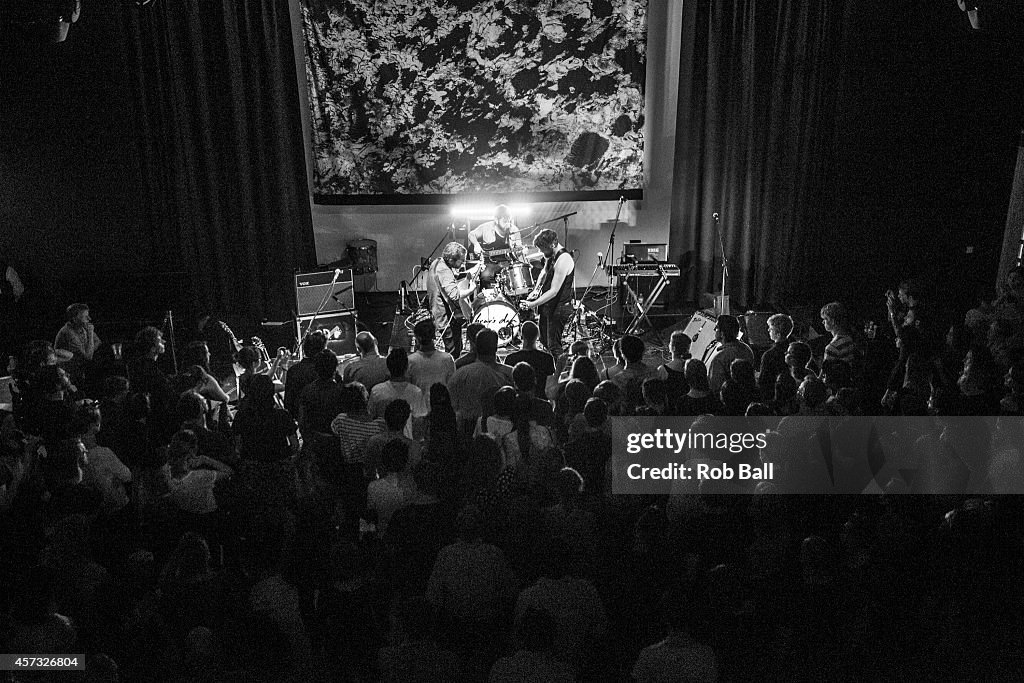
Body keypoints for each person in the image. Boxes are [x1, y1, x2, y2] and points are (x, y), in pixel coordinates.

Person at [447, 328, 513, 434]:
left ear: (476, 347)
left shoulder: (460, 374)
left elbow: (451, 405)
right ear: (496, 348)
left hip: (465, 432)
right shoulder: (509, 374)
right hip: (499, 433)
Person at [520, 229, 575, 355]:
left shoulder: (563, 260)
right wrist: (536, 289)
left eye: (542, 248)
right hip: (550, 306)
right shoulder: (551, 256)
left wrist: (532, 304)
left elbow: (554, 291)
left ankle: (559, 373)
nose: (540, 252)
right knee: (544, 341)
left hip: (559, 308)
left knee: (554, 346)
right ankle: (550, 370)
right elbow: (544, 272)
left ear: (553, 244)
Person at [428, 242, 480, 357]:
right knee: (453, 351)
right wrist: (471, 290)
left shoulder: (438, 262)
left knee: (456, 347)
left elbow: (449, 281)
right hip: (445, 317)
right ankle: (453, 372)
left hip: (441, 313)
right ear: (451, 260)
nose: (462, 264)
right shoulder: (444, 270)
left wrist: (473, 270)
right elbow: (455, 295)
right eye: (461, 261)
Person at [467, 204, 523, 288]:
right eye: (504, 221)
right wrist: (476, 245)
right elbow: (471, 234)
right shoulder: (486, 227)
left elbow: (518, 249)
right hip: (489, 263)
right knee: (485, 277)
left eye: (509, 220)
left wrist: (520, 251)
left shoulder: (514, 230)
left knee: (515, 277)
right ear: (496, 219)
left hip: (507, 262)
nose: (507, 223)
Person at [407, 319, 456, 406]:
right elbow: (452, 388)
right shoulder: (447, 359)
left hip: (418, 410)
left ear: (417, 338)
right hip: (442, 410)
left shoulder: (410, 361)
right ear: (434, 336)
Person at [706, 315, 754, 396]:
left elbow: (715, 387)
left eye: (717, 328)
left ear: (722, 333)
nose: (714, 330)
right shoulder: (747, 349)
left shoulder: (720, 358)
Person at [505, 321, 556, 396]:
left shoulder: (510, 359)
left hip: (517, 402)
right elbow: (550, 385)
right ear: (538, 336)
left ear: (521, 335)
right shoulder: (547, 358)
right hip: (541, 401)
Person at [284, 331, 327, 418]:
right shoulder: (325, 370)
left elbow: (288, 404)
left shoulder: (292, 371)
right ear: (322, 350)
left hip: (301, 421)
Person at [54, 303, 101, 370]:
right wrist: (90, 334)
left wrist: (89, 349)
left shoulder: (83, 327)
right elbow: (88, 358)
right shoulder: (68, 332)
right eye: (85, 317)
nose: (89, 319)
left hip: (79, 367)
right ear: (75, 319)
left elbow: (98, 341)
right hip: (67, 372)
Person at [757, 313, 794, 399]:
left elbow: (763, 382)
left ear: (778, 333)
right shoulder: (793, 348)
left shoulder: (769, 354)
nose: (768, 330)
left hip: (774, 394)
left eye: (771, 328)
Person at [820, 302, 859, 366]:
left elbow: (827, 374)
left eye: (825, 319)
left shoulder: (832, 348)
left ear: (832, 321)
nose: (823, 322)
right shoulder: (849, 339)